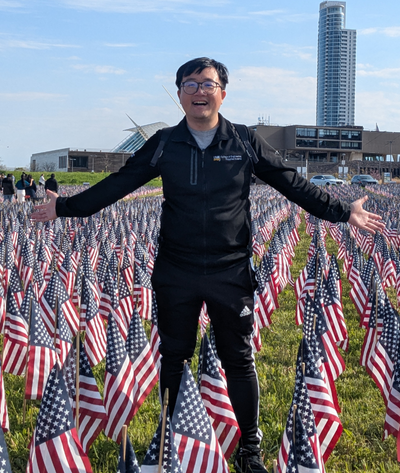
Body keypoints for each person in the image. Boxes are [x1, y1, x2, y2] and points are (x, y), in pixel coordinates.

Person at [32, 57, 384, 473]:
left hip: (229, 271)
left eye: (208, 83)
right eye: (191, 83)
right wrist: (65, 208)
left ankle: (248, 448)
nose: (200, 91)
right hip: (175, 270)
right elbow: (119, 184)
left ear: (223, 92)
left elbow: (292, 183)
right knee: (174, 356)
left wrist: (343, 212)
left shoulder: (244, 140)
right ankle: (170, 439)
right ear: (179, 92)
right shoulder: (164, 142)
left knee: (238, 359)